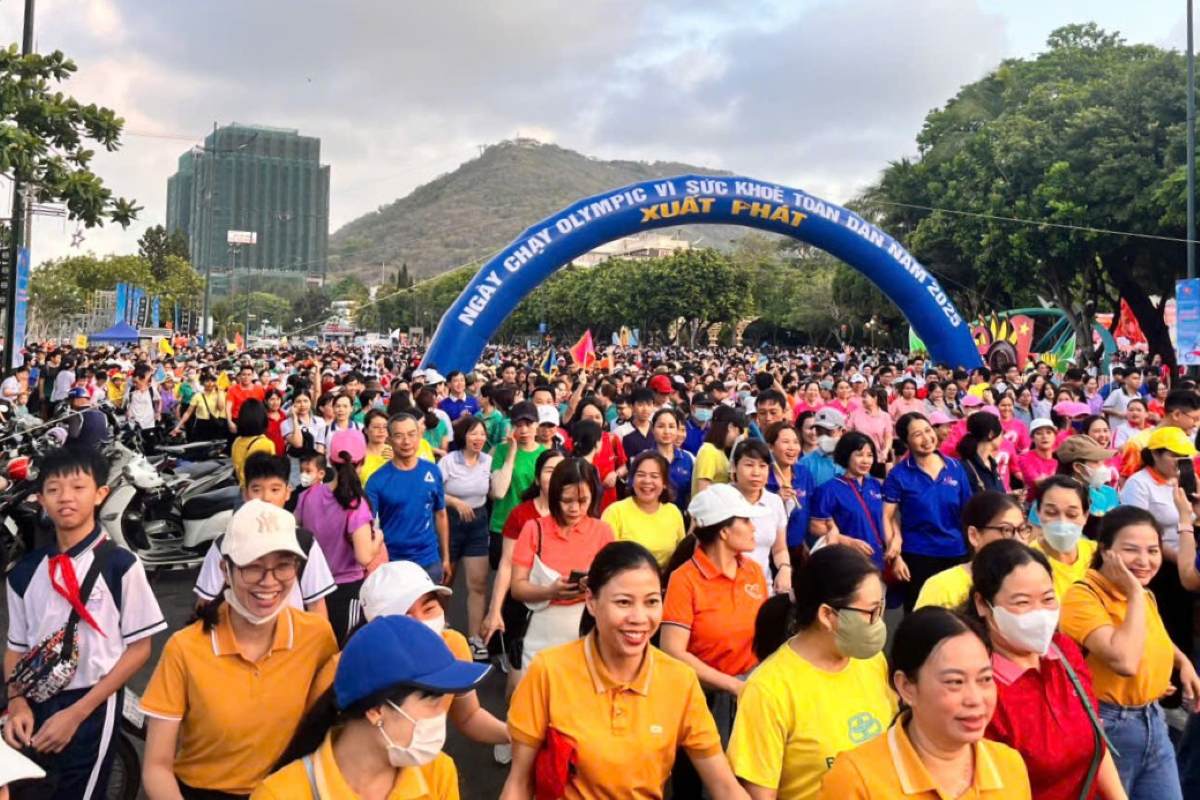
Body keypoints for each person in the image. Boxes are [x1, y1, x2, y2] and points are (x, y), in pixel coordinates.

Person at [501, 541, 748, 799]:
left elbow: (724, 786)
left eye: (651, 601)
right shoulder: (549, 671)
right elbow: (519, 783)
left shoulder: (680, 681)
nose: (639, 618)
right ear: (591, 602)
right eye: (623, 602)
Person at [140, 500, 339, 799]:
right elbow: (157, 766)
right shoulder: (185, 649)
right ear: (225, 569)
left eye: (283, 566)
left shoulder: (316, 636)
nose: (269, 581)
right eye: (252, 567)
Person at [3, 448, 165, 800]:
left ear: (100, 494)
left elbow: (139, 649)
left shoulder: (121, 566)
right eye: (54, 489)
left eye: (78, 487)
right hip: (34, 705)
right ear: (40, 498)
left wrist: (76, 714)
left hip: (93, 707)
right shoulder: (24, 574)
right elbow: (15, 649)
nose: (66, 498)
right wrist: (16, 703)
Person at [728, 545, 896, 799]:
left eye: (880, 609)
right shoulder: (768, 690)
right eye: (871, 613)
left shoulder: (871, 661)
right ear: (827, 615)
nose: (878, 623)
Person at [254, 615, 485, 800]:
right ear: (375, 710)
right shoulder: (279, 794)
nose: (441, 715)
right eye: (432, 702)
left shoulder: (438, 772)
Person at [963, 540, 1125, 800]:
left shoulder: (1064, 652)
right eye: (1022, 602)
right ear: (983, 604)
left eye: (1048, 599)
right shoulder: (977, 687)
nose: (1039, 613)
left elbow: (1097, 741)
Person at [818, 606, 1031, 799]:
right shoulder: (857, 778)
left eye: (985, 679)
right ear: (906, 687)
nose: (975, 699)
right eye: (955, 682)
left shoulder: (1008, 766)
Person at [1060, 506, 1199, 799]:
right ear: (1106, 551)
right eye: (1131, 550)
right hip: (1111, 727)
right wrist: (1135, 593)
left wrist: (1183, 662)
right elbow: (1124, 659)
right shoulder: (1084, 595)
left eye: (1153, 550)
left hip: (1152, 719)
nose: (1145, 561)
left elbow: (1154, 635)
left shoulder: (1141, 595)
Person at [661, 484, 769, 796]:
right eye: (745, 521)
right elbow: (672, 650)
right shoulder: (685, 579)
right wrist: (731, 684)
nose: (753, 528)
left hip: (748, 694)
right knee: (699, 784)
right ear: (723, 531)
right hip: (702, 699)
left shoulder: (753, 572)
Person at [193, 453, 336, 618]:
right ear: (245, 494)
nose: (266, 498)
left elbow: (316, 606)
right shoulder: (224, 544)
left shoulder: (304, 543)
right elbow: (205, 605)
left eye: (275, 489)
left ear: (288, 492)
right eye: (256, 489)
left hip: (293, 641)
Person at [509, 457, 613, 671]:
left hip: (587, 627)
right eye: (567, 501)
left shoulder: (603, 531)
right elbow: (517, 588)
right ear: (554, 496)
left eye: (583, 501)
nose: (575, 508)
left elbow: (613, 584)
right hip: (541, 629)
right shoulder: (534, 529)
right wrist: (549, 591)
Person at [293, 429, 381, 645]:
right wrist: (377, 538)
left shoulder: (307, 496)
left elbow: (297, 532)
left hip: (310, 589)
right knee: (343, 653)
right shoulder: (356, 505)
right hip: (346, 591)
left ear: (330, 462)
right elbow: (363, 556)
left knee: (314, 651)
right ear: (362, 462)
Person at [1119, 426, 1197, 664]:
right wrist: (1179, 558)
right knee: (1166, 625)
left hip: (1189, 560)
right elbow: (1140, 535)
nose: (1181, 461)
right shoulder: (1139, 485)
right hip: (1160, 567)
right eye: (1174, 455)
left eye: (1185, 456)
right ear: (1155, 454)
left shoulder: (1187, 481)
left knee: (1187, 625)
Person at [884, 412, 974, 612]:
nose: (926, 439)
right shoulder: (898, 475)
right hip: (918, 554)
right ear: (906, 441)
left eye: (928, 430)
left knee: (958, 611)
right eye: (917, 435)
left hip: (956, 552)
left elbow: (968, 511)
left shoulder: (955, 467)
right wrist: (895, 557)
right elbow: (887, 516)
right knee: (921, 613)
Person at [365, 413, 451, 584]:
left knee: (431, 610)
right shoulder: (376, 481)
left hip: (429, 560)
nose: (406, 441)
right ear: (389, 439)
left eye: (412, 434)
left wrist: (446, 557)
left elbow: (441, 514)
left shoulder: (432, 471)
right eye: (399, 435)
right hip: (393, 563)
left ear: (420, 436)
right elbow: (367, 528)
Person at [913, 490, 1029, 610]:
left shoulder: (1033, 580)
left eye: (1022, 529)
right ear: (974, 535)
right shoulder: (942, 588)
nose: (1018, 540)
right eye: (1006, 530)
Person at [438, 416, 493, 659]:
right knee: (446, 580)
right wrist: (455, 502)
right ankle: (440, 629)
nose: (478, 438)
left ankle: (475, 639)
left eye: (482, 434)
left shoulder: (488, 461)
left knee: (478, 583)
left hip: (478, 522)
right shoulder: (449, 461)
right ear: (463, 436)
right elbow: (435, 491)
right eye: (473, 433)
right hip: (450, 521)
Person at [810, 432, 888, 569]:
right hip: (848, 563)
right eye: (859, 455)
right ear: (846, 456)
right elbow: (816, 526)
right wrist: (846, 541)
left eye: (869, 455)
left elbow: (888, 520)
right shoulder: (828, 489)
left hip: (880, 561)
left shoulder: (876, 485)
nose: (865, 460)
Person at [602, 451, 685, 568]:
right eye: (641, 474)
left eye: (654, 476)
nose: (647, 481)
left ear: (665, 483)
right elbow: (605, 560)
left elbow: (681, 556)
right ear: (632, 479)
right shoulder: (614, 512)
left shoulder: (673, 512)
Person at [488, 402, 546, 570]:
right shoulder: (501, 450)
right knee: (505, 582)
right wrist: (511, 452)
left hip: (534, 526)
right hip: (503, 525)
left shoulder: (545, 455)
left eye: (528, 424)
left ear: (537, 424)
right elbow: (498, 491)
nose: (524, 430)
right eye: (518, 425)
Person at [729, 439, 791, 593]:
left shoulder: (774, 502)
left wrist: (784, 569)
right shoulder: (721, 499)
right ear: (734, 467)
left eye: (762, 466)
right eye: (749, 465)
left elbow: (780, 549)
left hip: (762, 588)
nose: (756, 472)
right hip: (726, 589)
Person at [1025, 475, 1101, 600]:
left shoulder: (1096, 554)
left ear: (1085, 516)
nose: (1062, 522)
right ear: (1038, 513)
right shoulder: (1028, 562)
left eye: (1072, 514)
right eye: (1051, 512)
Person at [765, 421, 816, 556]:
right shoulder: (762, 477)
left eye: (795, 442)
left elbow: (809, 511)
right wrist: (776, 500)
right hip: (770, 551)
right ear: (770, 447)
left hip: (797, 548)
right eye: (786, 442)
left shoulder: (803, 474)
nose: (792, 447)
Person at [693, 404, 746, 495]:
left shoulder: (719, 452)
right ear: (730, 427)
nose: (737, 438)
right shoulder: (709, 451)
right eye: (738, 432)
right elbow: (703, 491)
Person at [650, 407, 695, 513]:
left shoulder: (687, 459)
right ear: (652, 429)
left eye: (671, 426)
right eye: (661, 426)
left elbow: (691, 494)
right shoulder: (644, 459)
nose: (666, 431)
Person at [956, 411, 1005, 494]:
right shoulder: (964, 467)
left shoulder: (992, 463)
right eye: (1001, 433)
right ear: (991, 434)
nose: (1003, 438)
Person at [230, 399, 276, 487]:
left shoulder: (237, 441)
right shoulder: (265, 444)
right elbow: (272, 473)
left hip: (242, 489)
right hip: (259, 492)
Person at [172, 371, 227, 443]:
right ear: (202, 383)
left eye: (212, 381)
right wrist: (178, 426)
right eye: (207, 381)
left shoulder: (219, 394)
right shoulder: (198, 396)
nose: (210, 383)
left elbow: (220, 408)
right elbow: (188, 412)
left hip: (214, 424)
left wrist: (220, 392)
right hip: (201, 425)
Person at [1013, 418, 1059, 502]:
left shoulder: (1058, 460)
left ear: (1055, 436)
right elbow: (1038, 482)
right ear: (1032, 438)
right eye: (1039, 433)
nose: (1044, 436)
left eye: (1049, 432)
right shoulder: (1024, 458)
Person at [799, 407, 846, 488]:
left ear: (842, 431)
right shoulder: (805, 464)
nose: (824, 436)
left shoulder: (853, 460)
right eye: (819, 432)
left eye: (829, 432)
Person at [848, 388, 893, 468]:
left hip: (878, 456)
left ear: (875, 398)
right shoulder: (855, 414)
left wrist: (885, 451)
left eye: (865, 397)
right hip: (859, 456)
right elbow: (848, 433)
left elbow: (888, 436)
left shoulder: (885, 416)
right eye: (862, 397)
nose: (863, 399)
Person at [63, 386, 108, 455]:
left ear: (76, 400)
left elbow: (71, 439)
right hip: (99, 453)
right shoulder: (103, 414)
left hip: (81, 456)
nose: (70, 404)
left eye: (70, 401)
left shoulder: (77, 415)